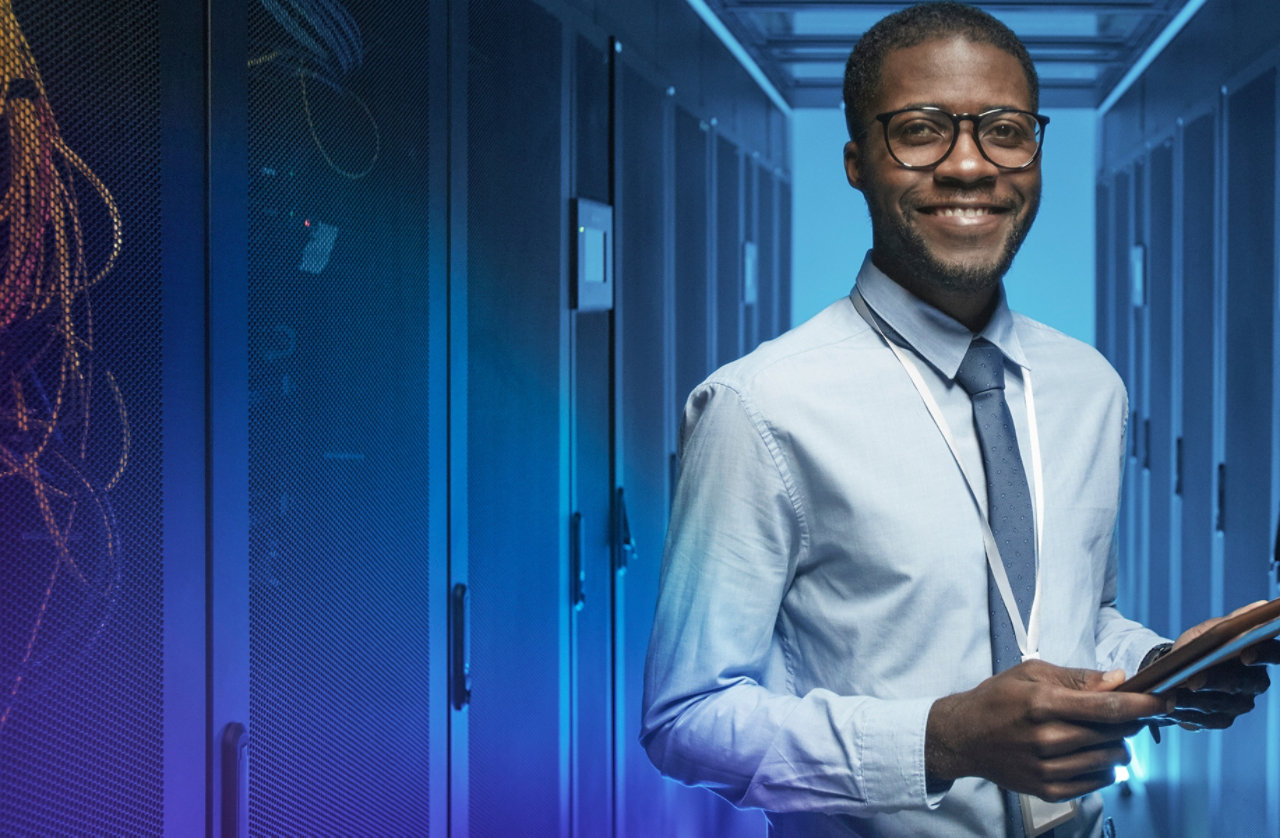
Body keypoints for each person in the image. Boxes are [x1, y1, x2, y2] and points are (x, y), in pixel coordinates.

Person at [640, 3, 1277, 836]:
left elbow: (1075, 617)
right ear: (857, 162)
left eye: (1005, 130)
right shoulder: (759, 407)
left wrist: (1159, 668)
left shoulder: (1090, 387)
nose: (970, 166)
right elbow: (685, 720)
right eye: (921, 130)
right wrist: (941, 741)